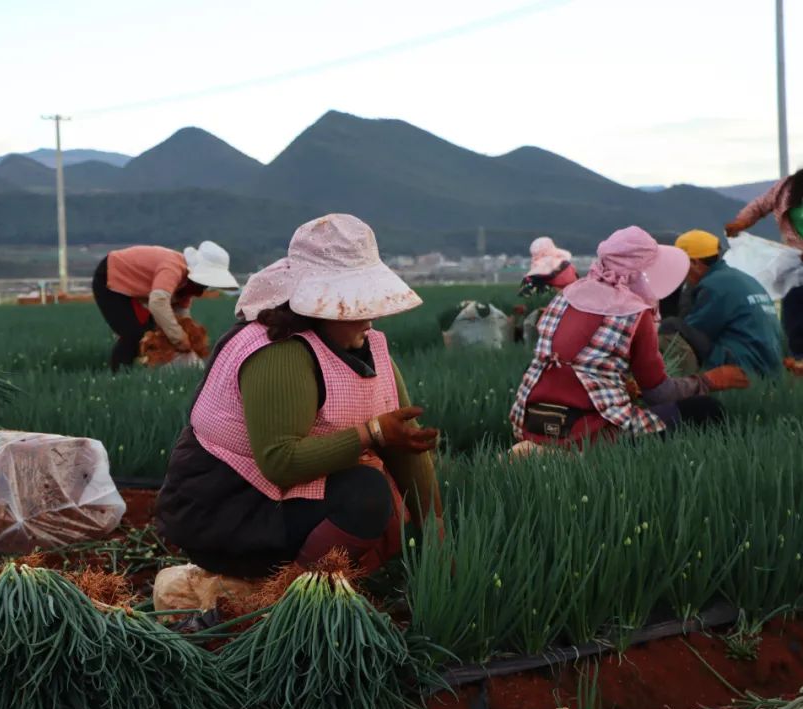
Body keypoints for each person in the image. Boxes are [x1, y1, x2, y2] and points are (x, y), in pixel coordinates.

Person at [156, 214, 441, 584]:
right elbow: (280, 461)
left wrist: (435, 528)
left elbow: (405, 442)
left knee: (387, 504)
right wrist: (373, 434)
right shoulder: (278, 351)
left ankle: (318, 578)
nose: (369, 320)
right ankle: (286, 592)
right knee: (366, 494)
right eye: (357, 306)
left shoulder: (369, 347)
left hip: (282, 496)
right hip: (228, 505)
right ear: (319, 302)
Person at [509, 226, 749, 448]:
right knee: (706, 410)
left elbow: (577, 362)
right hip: (587, 433)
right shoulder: (634, 313)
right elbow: (659, 394)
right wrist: (708, 381)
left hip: (532, 424)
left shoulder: (564, 298)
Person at [91, 242, 239, 371]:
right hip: (110, 276)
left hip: (133, 288)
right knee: (134, 334)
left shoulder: (187, 285)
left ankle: (139, 370)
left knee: (150, 330)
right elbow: (158, 302)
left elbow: (180, 314)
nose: (205, 287)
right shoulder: (173, 267)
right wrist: (179, 338)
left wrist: (188, 335)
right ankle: (117, 376)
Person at [659, 230, 783, 378]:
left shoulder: (713, 286)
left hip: (745, 365)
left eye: (680, 264)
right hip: (769, 365)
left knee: (672, 326)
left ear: (695, 263)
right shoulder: (739, 278)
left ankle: (674, 383)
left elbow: (695, 330)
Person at [725, 169, 803, 372]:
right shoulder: (788, 187)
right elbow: (761, 205)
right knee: (794, 308)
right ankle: (797, 361)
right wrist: (742, 222)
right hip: (795, 261)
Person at [518, 237, 578, 346]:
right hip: (571, 310)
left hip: (547, 313)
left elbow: (525, 296)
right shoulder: (570, 268)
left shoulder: (535, 279)